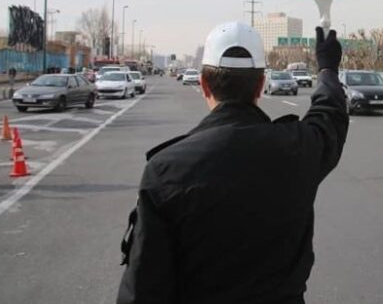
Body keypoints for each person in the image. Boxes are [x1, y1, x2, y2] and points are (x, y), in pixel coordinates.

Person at [117, 22, 348, 304]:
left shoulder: (165, 169)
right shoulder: (297, 147)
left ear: (203, 84)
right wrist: (327, 69)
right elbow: (329, 116)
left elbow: (143, 286)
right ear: (261, 85)